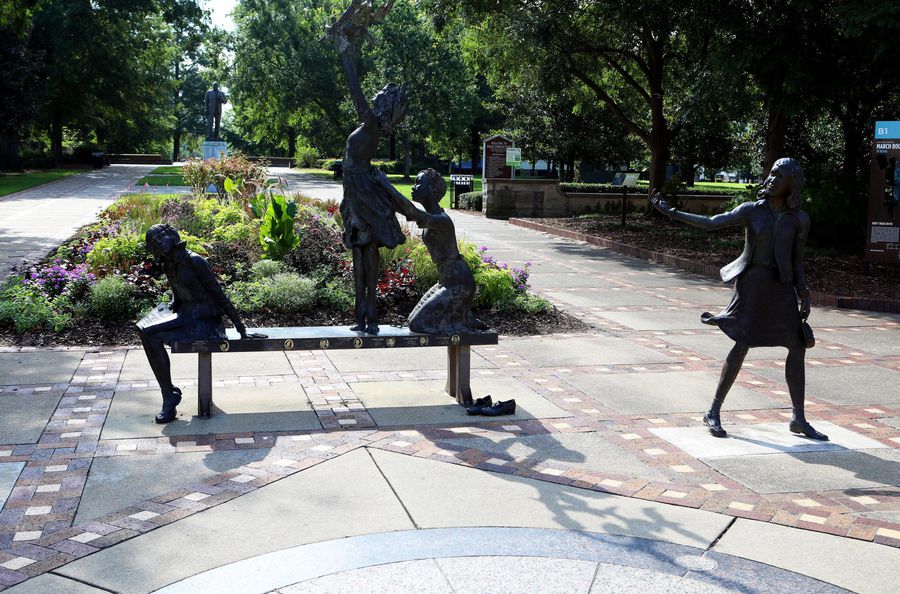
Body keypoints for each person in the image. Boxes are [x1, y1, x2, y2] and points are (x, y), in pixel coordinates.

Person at [652, 158, 827, 441]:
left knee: (797, 346)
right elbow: (711, 223)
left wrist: (803, 292)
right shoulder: (751, 211)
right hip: (752, 284)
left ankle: (798, 418)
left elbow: (797, 261)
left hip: (780, 288)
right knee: (742, 343)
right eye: (770, 174)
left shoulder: (799, 220)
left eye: (778, 176)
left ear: (791, 184)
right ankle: (713, 411)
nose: (770, 180)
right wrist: (670, 212)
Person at [137, 224, 258, 423]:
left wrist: (241, 329)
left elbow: (219, 294)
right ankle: (169, 396)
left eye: (161, 239)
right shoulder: (169, 262)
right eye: (154, 245)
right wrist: (168, 308)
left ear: (172, 236)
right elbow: (178, 291)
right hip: (186, 315)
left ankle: (169, 399)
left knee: (150, 334)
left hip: (205, 322)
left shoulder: (194, 261)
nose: (159, 245)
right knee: (145, 331)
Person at [332, 19, 408, 334]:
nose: (374, 97)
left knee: (366, 256)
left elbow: (354, 88)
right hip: (356, 193)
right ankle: (363, 316)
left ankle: (369, 316)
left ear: (382, 106)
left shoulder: (371, 124)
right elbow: (354, 159)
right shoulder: (369, 128)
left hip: (362, 194)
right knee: (361, 256)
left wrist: (346, 53)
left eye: (379, 97)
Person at [374, 168, 487, 334]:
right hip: (446, 281)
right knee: (413, 321)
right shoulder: (431, 215)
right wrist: (380, 189)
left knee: (418, 325)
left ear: (432, 189)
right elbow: (404, 209)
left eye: (419, 183)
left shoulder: (441, 220)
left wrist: (386, 184)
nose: (414, 187)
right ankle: (459, 318)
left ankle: (458, 323)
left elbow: (411, 211)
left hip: (459, 283)